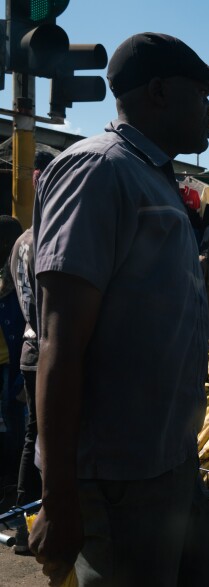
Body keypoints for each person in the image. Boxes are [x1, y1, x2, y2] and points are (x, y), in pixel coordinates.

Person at [29, 32, 209, 585]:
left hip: (170, 464)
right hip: (119, 486)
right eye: (203, 92)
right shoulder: (99, 171)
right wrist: (60, 502)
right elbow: (60, 345)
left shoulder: (155, 177)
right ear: (161, 93)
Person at [10, 151, 54, 554]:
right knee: (44, 439)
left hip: (30, 350)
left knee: (34, 437)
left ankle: (26, 524)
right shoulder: (41, 240)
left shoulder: (23, 240)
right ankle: (30, 527)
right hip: (43, 352)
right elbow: (41, 310)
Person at [0, 216, 25, 478]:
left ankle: (12, 478)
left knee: (13, 420)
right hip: (7, 361)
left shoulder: (18, 275)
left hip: (12, 362)